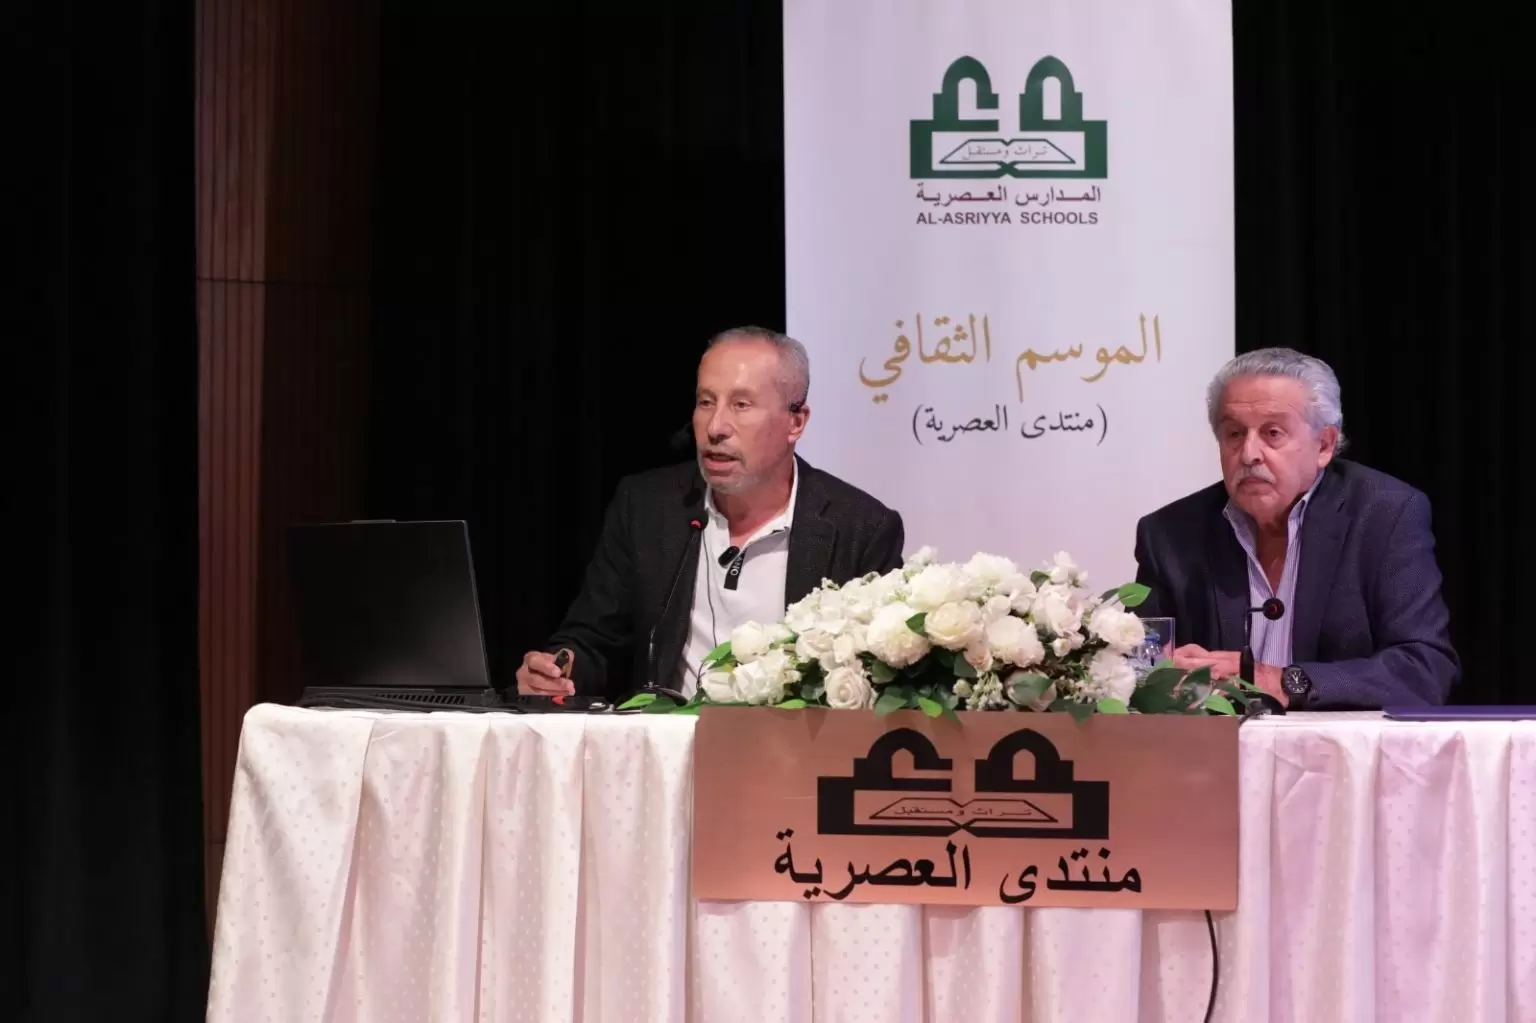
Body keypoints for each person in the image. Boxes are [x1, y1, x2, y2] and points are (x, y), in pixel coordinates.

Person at [515, 326, 905, 700]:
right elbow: (595, 639)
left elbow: (882, 679)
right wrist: (559, 670)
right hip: (668, 739)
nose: (716, 427)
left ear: (795, 421)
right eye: (706, 402)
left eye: (741, 405)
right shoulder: (647, 507)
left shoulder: (860, 529)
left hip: (790, 742)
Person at [1132, 347, 1458, 709]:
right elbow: (1135, 669)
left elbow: (1423, 669)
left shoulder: (1384, 515)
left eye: (1272, 433)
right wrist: (1162, 673)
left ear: (1324, 445)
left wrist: (1282, 681)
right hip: (1218, 744)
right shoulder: (1169, 535)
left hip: (1337, 743)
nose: (1249, 453)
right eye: (1234, 434)